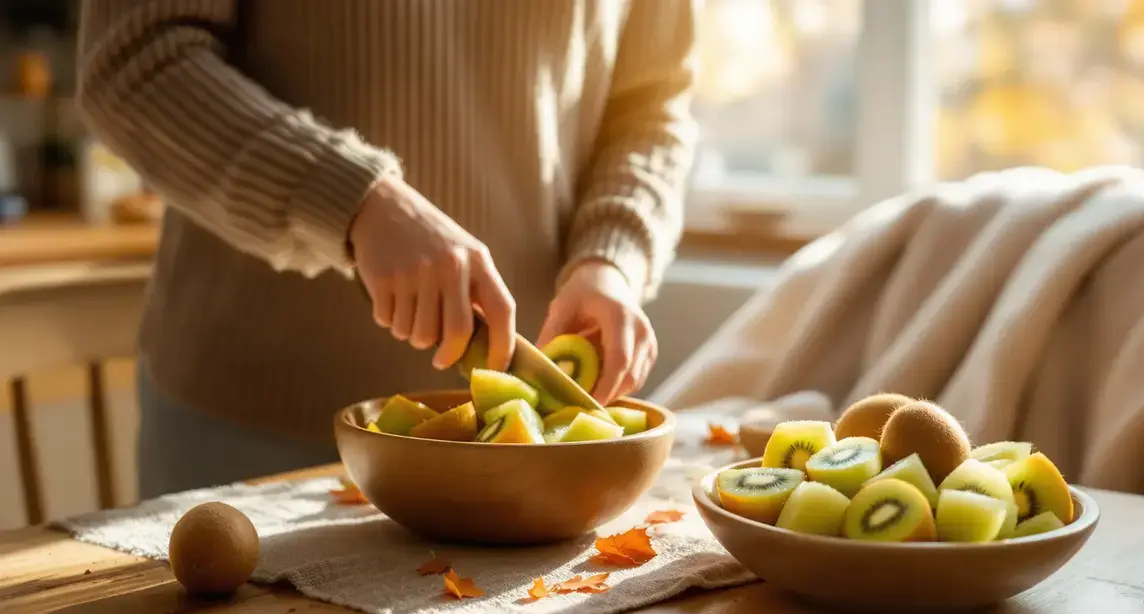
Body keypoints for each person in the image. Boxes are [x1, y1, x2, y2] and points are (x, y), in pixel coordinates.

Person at [76, 0, 698, 499]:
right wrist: (352, 197)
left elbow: (653, 102)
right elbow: (134, 60)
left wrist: (612, 255)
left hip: (524, 461)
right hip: (250, 432)